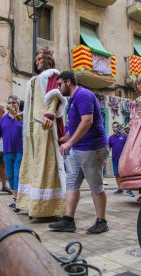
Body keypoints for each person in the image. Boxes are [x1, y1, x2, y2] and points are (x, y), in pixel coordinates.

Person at [48, 71, 109, 234]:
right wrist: (62, 138)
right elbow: (74, 128)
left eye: (59, 84)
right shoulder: (73, 100)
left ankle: (102, 221)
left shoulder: (83, 95)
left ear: (68, 82)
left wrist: (69, 142)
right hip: (78, 150)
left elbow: (87, 121)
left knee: (96, 186)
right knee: (72, 183)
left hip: (92, 148)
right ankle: (68, 220)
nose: (58, 88)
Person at [17, 48, 67, 218]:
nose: (37, 61)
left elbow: (54, 95)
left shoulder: (52, 75)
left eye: (40, 58)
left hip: (44, 126)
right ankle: (30, 203)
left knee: (45, 162)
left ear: (47, 60)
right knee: (32, 163)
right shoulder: (33, 80)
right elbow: (32, 103)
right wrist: (23, 114)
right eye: (36, 58)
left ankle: (46, 207)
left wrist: (49, 116)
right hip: (31, 129)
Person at [0, 95, 23, 211]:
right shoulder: (3, 119)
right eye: (10, 102)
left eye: (14, 102)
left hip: (21, 151)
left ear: (18, 104)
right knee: (11, 176)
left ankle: (19, 201)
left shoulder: (23, 117)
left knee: (18, 174)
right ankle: (15, 199)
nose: (12, 104)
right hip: (7, 151)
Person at [108, 122, 133, 196]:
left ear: (119, 127)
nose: (115, 129)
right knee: (117, 174)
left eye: (116, 127)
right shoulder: (111, 138)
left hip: (124, 159)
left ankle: (129, 189)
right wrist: (104, 158)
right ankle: (120, 188)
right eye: (113, 127)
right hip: (115, 159)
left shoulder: (125, 136)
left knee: (125, 174)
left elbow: (129, 147)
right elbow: (108, 148)